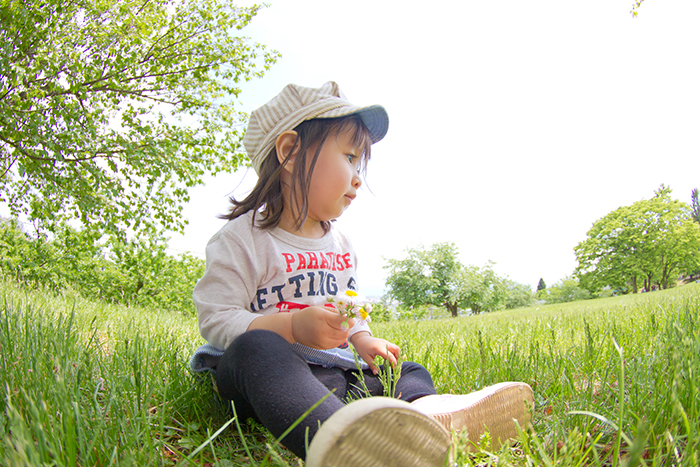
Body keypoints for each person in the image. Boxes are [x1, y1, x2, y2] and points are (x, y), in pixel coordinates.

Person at [189, 82, 534, 466]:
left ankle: (430, 418)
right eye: (350, 157)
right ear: (289, 152)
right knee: (257, 349)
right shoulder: (242, 239)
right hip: (266, 380)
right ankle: (344, 443)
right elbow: (217, 319)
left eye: (360, 163)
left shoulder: (340, 243)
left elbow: (348, 306)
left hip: (331, 373)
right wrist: (291, 328)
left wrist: (364, 339)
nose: (357, 176)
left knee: (401, 370)